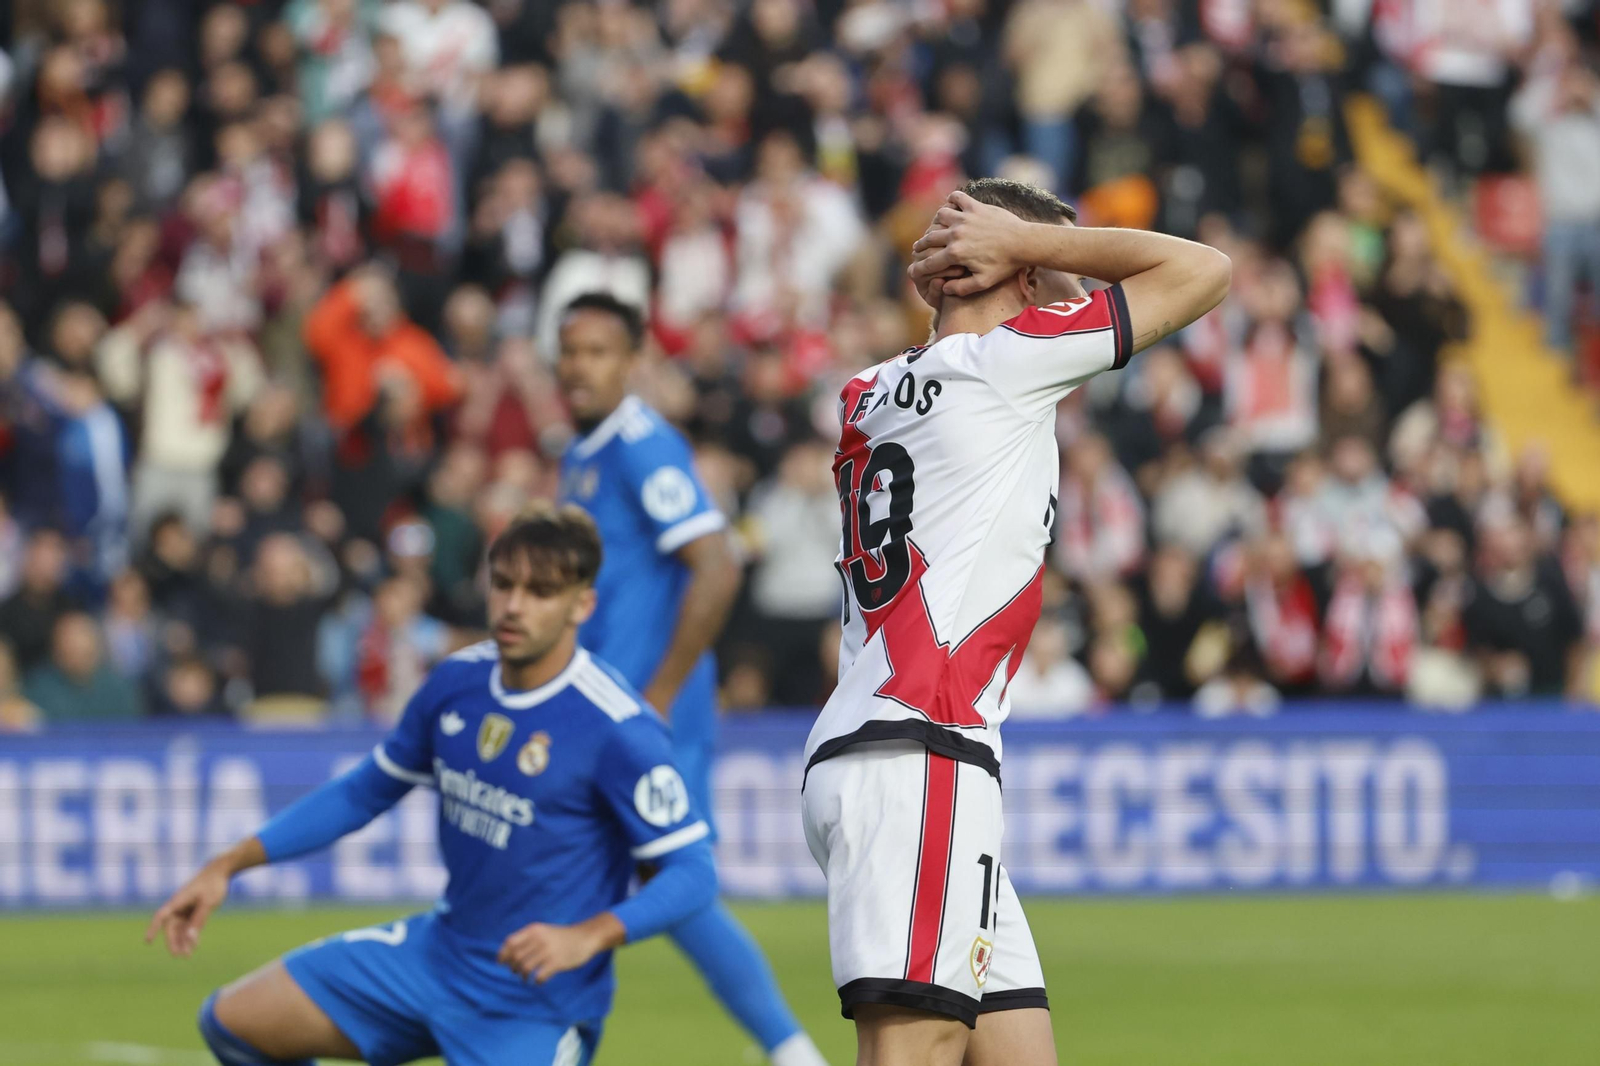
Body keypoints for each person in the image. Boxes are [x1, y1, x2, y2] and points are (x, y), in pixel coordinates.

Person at [802, 178, 1229, 1066]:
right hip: (923, 752)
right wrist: (1028, 242)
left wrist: (995, 255)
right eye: (1060, 270)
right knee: (911, 1054)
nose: (1083, 289)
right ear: (1023, 272)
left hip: (882, 746)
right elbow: (1204, 272)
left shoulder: (867, 391)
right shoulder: (1005, 364)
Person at [144, 505, 718, 1066]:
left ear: (581, 605)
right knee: (234, 1022)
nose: (514, 605)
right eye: (503, 584)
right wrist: (229, 864)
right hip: (437, 956)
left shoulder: (618, 726)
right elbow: (362, 792)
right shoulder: (458, 681)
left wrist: (587, 937)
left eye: (541, 592)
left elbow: (693, 872)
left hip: (535, 1001)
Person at [554, 293, 828, 1066]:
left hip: (648, 707)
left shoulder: (642, 445)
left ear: (631, 362)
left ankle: (787, 1048)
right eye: (569, 351)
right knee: (629, 876)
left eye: (598, 352)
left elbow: (716, 563)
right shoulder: (581, 453)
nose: (579, 367)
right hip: (604, 706)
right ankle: (788, 1050)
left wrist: (662, 692)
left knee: (644, 873)